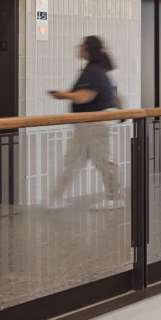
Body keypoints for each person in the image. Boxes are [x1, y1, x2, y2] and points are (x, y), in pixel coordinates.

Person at [48, 36, 124, 210]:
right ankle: (56, 198)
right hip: (86, 124)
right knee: (73, 161)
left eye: (81, 45)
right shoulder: (92, 70)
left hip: (95, 122)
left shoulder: (94, 71)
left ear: (89, 49)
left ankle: (115, 197)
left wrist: (62, 95)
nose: (79, 48)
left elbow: (85, 96)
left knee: (101, 160)